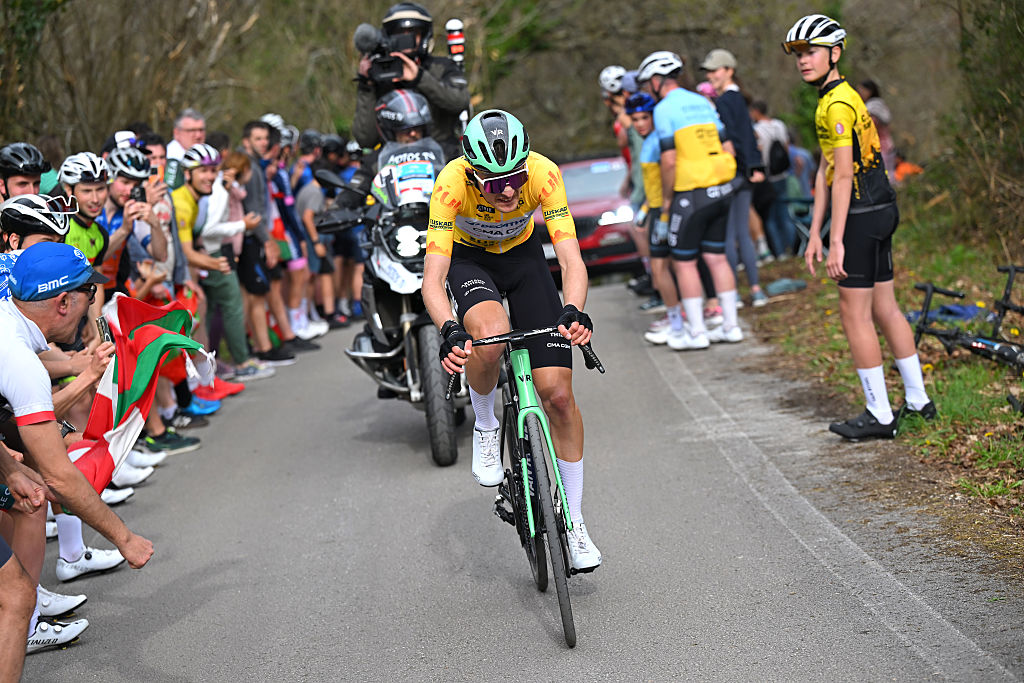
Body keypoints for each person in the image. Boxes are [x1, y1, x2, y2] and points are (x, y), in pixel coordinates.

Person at [422, 109, 601, 571]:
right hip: (471, 262)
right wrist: (449, 330)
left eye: (513, 178)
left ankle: (575, 524)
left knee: (559, 396)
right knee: (491, 333)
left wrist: (574, 309)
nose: (504, 190)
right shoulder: (450, 184)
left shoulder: (544, 174)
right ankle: (485, 423)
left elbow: (570, 258)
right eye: (491, 182)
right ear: (471, 172)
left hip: (524, 260)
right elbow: (433, 279)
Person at [783, 14, 935, 440]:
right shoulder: (843, 95)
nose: (802, 61)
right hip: (882, 207)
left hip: (862, 214)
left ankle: (880, 413)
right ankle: (920, 401)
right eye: (797, 54)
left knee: (855, 316)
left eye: (810, 52)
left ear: (834, 53)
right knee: (885, 308)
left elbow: (844, 175)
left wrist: (835, 241)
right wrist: (814, 231)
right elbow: (824, 170)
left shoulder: (834, 104)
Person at [1, 242, 154, 652]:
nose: (93, 304)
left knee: (22, 500)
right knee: (16, 596)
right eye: (90, 294)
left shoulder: (10, 323)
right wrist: (124, 538)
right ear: (64, 300)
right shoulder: (18, 358)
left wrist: (10, 468)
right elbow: (59, 474)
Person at [637, 50, 743, 349]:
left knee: (685, 263)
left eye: (647, 84)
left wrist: (668, 201)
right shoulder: (702, 100)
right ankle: (731, 326)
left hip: (691, 192)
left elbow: (668, 161)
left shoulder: (664, 109)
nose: (648, 89)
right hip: (721, 187)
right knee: (717, 257)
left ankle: (696, 333)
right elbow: (728, 147)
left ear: (657, 81)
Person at [352, 2, 470, 160]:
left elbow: (459, 102)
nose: (405, 38)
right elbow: (366, 139)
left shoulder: (442, 67)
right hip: (394, 162)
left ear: (424, 36)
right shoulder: (380, 75)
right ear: (388, 36)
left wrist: (419, 78)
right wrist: (366, 85)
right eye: (399, 33)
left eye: (412, 32)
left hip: (442, 158)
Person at [700, 48, 768, 307]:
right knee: (742, 233)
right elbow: (749, 136)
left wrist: (742, 165)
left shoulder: (725, 101)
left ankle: (735, 293)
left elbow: (736, 138)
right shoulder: (738, 99)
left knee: (728, 235)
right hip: (745, 173)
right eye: (709, 71)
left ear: (729, 70)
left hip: (730, 174)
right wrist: (754, 166)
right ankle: (756, 288)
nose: (711, 75)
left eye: (715, 70)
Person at [749, 100, 794, 258]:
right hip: (782, 174)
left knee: (770, 218)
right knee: (785, 214)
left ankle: (779, 252)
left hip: (767, 177)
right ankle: (792, 250)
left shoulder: (756, 130)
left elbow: (757, 153)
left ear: (755, 111)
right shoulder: (779, 125)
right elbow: (786, 148)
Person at [856, 79, 896, 176]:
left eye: (861, 91)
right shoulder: (880, 106)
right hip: (887, 147)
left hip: (880, 149)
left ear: (869, 91)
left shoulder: (872, 109)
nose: (858, 94)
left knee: (883, 177)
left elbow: (868, 129)